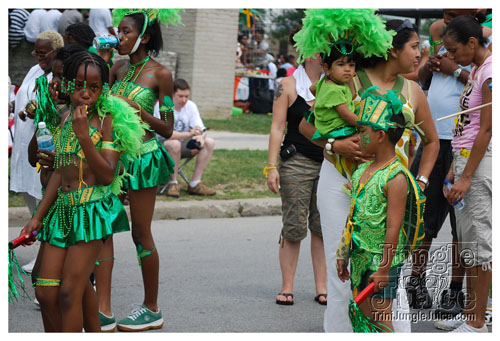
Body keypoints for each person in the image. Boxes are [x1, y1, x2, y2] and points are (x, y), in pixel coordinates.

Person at [298, 14, 439, 332]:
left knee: (392, 271)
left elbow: (431, 142)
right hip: (341, 183)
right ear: (393, 49)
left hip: (390, 189)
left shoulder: (413, 91)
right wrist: (336, 144)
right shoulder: (349, 78)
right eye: (415, 46)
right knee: (341, 272)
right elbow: (306, 125)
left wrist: (419, 182)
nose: (420, 53)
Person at [19, 51, 146, 332]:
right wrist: (37, 217)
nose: (86, 93)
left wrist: (84, 137)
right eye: (79, 86)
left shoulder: (107, 121)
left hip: (91, 213)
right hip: (60, 213)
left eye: (94, 87)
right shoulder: (65, 119)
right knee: (45, 291)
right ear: (67, 85)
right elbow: (62, 173)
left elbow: (106, 175)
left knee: (68, 294)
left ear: (104, 88)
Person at [408, 9, 491, 315]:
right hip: (437, 139)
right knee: (422, 213)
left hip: (466, 147)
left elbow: (484, 94)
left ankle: (457, 291)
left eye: (454, 14)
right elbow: (422, 80)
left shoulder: (485, 51)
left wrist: (454, 68)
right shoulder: (447, 43)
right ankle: (416, 280)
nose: (446, 19)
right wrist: (432, 65)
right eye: (444, 14)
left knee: (463, 227)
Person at [105, 9, 182, 332]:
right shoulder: (117, 69)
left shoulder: (161, 74)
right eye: (118, 31)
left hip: (142, 159)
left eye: (125, 32)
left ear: (144, 37)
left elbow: (167, 129)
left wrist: (142, 114)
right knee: (102, 230)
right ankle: (101, 309)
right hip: (110, 160)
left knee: (140, 233)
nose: (119, 37)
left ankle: (152, 307)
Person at [336, 91, 425, 333]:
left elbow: (394, 228)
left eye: (363, 132)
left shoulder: (395, 176)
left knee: (380, 317)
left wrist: (385, 268)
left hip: (379, 260)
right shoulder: (362, 170)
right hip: (359, 255)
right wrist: (343, 253)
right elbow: (352, 216)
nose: (358, 136)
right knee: (363, 318)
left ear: (381, 135)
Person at [436, 15, 492, 333]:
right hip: (466, 161)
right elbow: (465, 130)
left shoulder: (490, 71)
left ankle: (476, 323)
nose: (451, 58)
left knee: (481, 246)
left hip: (480, 167)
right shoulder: (475, 72)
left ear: (472, 43)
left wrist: (467, 176)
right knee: (469, 244)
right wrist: (452, 170)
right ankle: (474, 314)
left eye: (454, 50)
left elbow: (486, 130)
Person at [265, 27, 327, 306]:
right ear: (308, 51)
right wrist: (271, 166)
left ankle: (322, 288)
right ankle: (287, 286)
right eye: (319, 45)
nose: (323, 50)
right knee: (293, 226)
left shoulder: (335, 83)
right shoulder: (287, 85)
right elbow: (277, 127)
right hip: (296, 163)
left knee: (322, 226)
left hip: (330, 163)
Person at [10, 30, 63, 216]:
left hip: (43, 142)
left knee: (42, 192)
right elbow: (24, 96)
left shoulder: (57, 79)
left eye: (43, 53)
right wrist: (12, 105)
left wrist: (34, 112)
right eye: (36, 53)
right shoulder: (34, 70)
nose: (39, 57)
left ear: (56, 51)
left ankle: (46, 234)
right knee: (27, 192)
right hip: (23, 142)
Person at [160, 79, 216, 197]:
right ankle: (172, 183)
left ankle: (195, 183)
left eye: (186, 96)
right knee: (174, 143)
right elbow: (167, 134)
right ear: (172, 94)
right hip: (161, 146)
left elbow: (201, 128)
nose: (184, 100)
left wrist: (201, 136)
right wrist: (190, 134)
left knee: (209, 142)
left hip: (182, 145)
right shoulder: (163, 106)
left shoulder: (191, 106)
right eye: (180, 96)